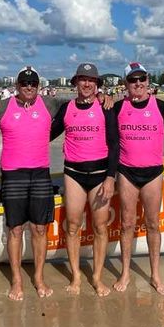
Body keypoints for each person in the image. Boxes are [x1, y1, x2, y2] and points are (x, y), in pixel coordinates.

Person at [0, 66, 66, 301]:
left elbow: (77, 106)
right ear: (17, 86)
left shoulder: (49, 104)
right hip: (13, 175)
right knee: (15, 229)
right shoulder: (2, 107)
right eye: (24, 83)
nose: (28, 87)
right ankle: (16, 280)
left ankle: (39, 277)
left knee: (39, 229)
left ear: (38, 86)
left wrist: (103, 96)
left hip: (40, 174)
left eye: (33, 83)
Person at [112, 62, 164, 295]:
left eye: (142, 79)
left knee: (153, 223)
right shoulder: (117, 108)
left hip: (153, 173)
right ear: (126, 84)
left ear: (147, 81)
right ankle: (125, 273)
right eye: (133, 80)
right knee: (127, 224)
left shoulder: (162, 108)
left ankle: (155, 275)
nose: (138, 83)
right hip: (127, 172)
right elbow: (102, 136)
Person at [50, 63, 118, 296]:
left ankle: (97, 277)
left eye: (91, 80)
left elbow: (114, 144)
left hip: (100, 175)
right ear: (76, 83)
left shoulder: (105, 107)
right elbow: (46, 134)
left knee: (100, 226)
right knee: (72, 225)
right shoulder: (66, 108)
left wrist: (110, 177)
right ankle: (76, 276)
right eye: (83, 79)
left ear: (96, 84)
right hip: (74, 174)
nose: (87, 84)